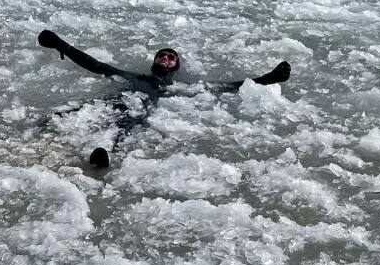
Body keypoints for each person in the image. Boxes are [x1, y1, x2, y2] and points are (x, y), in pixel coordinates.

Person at [37, 29, 290, 167]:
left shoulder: (179, 88)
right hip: (115, 101)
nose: (165, 58)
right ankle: (40, 136)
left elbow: (228, 87)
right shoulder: (131, 76)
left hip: (137, 111)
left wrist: (268, 78)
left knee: (122, 128)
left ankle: (103, 156)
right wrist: (61, 45)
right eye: (161, 55)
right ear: (154, 61)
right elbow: (94, 64)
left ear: (176, 65)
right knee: (67, 115)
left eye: (171, 57)